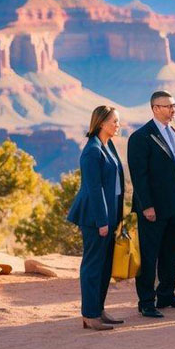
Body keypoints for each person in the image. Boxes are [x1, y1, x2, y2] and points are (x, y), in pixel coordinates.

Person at [127, 90, 175, 318]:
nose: (172, 110)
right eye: (167, 106)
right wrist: (146, 205)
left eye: (174, 105)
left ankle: (167, 294)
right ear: (155, 108)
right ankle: (147, 301)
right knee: (150, 254)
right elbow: (139, 176)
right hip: (154, 206)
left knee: (172, 250)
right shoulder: (141, 137)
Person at [67, 105, 125, 331]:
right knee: (93, 266)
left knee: (104, 266)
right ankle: (89, 315)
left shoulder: (107, 145)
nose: (118, 125)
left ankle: (98, 310)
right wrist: (102, 221)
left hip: (109, 217)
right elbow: (94, 188)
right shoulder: (92, 150)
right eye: (114, 121)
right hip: (95, 218)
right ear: (101, 123)